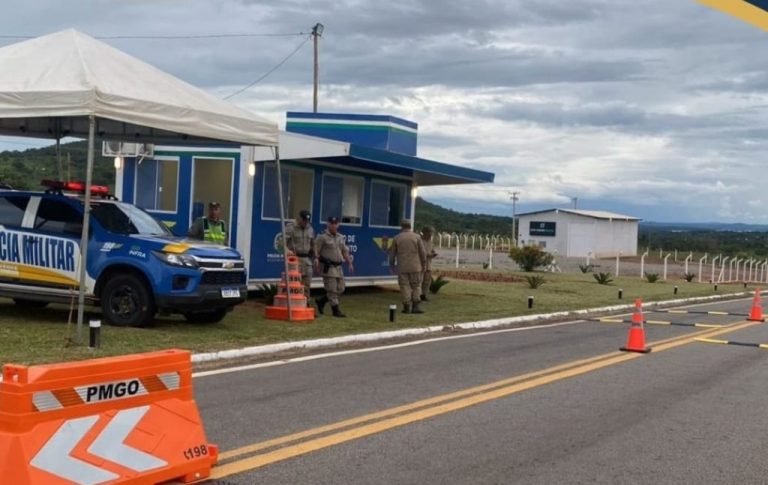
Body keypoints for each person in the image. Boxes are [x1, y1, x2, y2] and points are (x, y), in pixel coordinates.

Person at [314, 216, 354, 317]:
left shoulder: (340, 237)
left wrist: (349, 262)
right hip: (329, 267)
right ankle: (336, 310)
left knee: (341, 288)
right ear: (328, 224)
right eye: (331, 223)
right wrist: (317, 260)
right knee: (331, 289)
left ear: (338, 224)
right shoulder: (322, 237)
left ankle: (321, 301)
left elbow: (345, 251)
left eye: (335, 223)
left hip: (338, 267)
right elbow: (316, 250)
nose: (333, 225)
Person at [389, 219, 427, 314]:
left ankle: (406, 307)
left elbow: (392, 254)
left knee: (404, 286)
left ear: (401, 227)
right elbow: (423, 253)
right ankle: (415, 306)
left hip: (402, 266)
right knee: (416, 286)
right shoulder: (417, 237)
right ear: (410, 226)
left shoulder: (397, 238)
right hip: (415, 266)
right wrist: (424, 264)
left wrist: (392, 265)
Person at [285, 209, 315, 298]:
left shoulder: (310, 229)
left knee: (307, 284)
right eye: (304, 221)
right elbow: (281, 243)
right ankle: (294, 303)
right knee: (295, 284)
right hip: (295, 260)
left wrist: (316, 256)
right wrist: (287, 251)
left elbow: (313, 243)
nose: (306, 223)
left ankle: (306, 303)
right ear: (299, 219)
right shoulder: (291, 228)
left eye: (307, 221)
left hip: (307, 260)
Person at [420, 226, 438, 301]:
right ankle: (417, 295)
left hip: (428, 264)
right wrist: (428, 255)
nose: (431, 235)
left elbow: (432, 250)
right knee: (419, 280)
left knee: (427, 281)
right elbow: (420, 252)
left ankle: (424, 295)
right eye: (430, 233)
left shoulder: (430, 242)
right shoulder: (420, 241)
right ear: (425, 232)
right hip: (420, 264)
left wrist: (434, 253)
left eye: (431, 233)